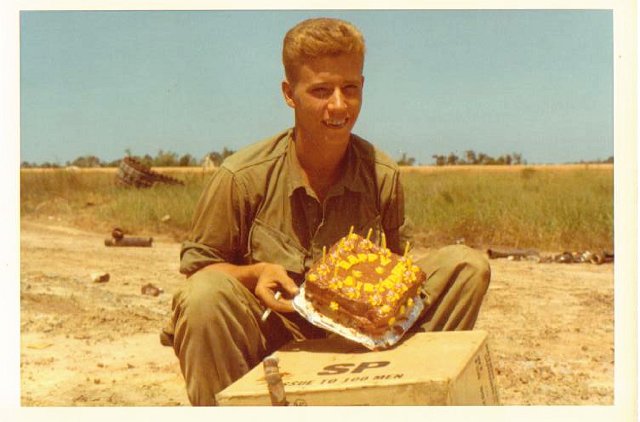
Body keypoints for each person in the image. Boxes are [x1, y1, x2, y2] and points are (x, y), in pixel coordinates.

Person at [162, 17, 491, 406]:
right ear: (289, 94)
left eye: (349, 88)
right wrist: (255, 274)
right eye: (320, 91)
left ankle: (404, 399)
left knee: (465, 267)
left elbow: (401, 272)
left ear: (362, 87)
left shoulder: (381, 174)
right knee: (203, 297)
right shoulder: (242, 176)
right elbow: (200, 270)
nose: (339, 105)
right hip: (267, 338)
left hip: (358, 340)